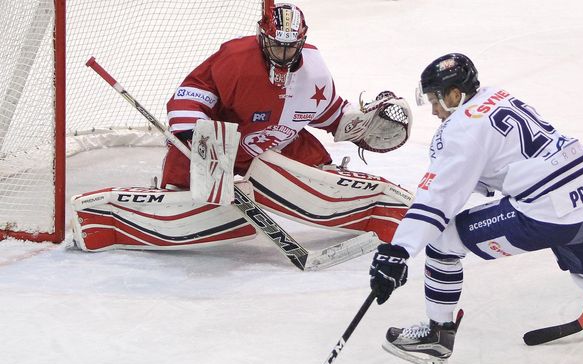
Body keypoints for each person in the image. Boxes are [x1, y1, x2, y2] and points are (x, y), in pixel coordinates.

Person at [367, 53, 583, 364]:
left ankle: (437, 333)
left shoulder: (460, 131)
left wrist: (398, 251)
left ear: (454, 94)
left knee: (442, 242)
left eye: (436, 99)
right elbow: (485, 173)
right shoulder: (498, 97)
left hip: (550, 208)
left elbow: (436, 199)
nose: (433, 110)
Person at [70, 2, 413, 252]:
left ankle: (372, 208)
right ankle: (118, 219)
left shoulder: (315, 70)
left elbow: (329, 113)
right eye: (277, 43)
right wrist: (193, 135)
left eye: (291, 45)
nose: (283, 52)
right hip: (222, 141)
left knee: (317, 169)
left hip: (277, 142)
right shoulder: (236, 59)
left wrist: (360, 127)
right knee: (185, 177)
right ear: (263, 36)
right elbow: (192, 92)